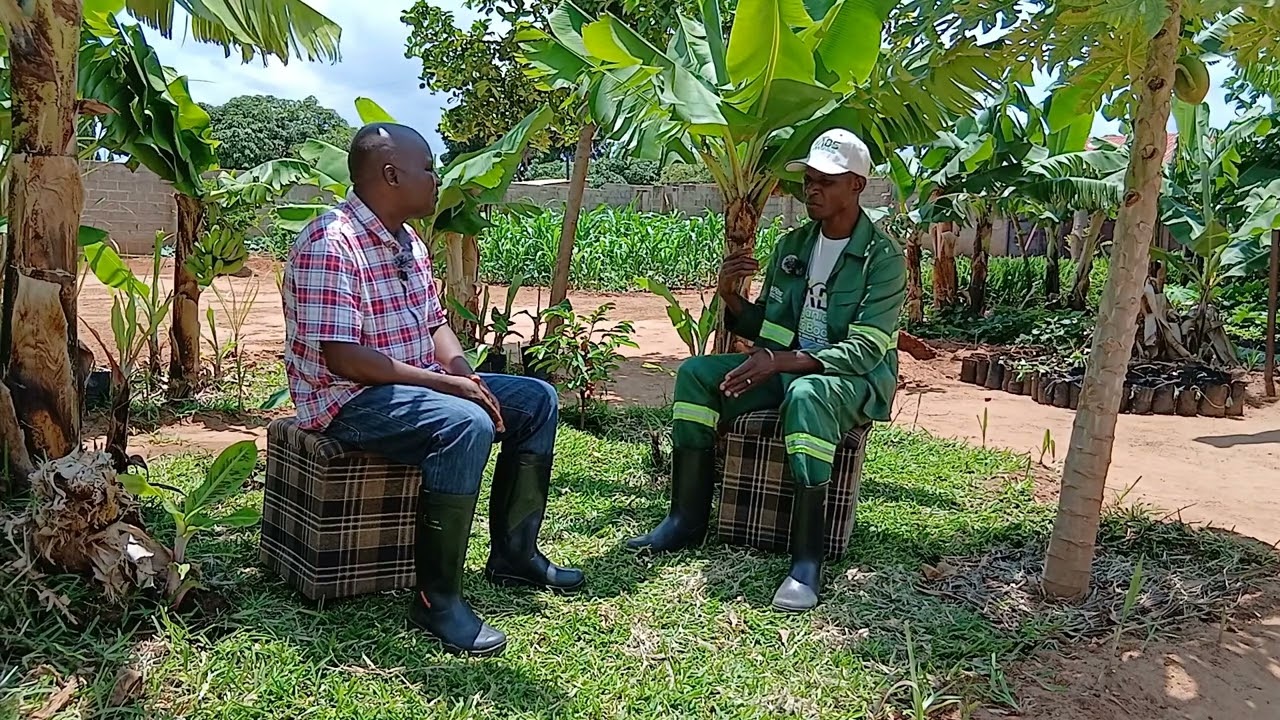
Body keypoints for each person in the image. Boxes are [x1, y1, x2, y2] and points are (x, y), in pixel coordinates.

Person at [282, 123, 583, 658]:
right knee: (463, 422)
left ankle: (515, 554)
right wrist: (450, 389)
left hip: (414, 380)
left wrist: (463, 372)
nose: (436, 177)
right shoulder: (331, 241)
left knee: (536, 399)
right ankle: (436, 599)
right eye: (428, 167)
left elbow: (434, 324)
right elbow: (344, 358)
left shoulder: (406, 241)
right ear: (391, 174)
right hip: (344, 399)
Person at [627, 128, 906, 612]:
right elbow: (774, 333)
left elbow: (865, 350)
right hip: (789, 367)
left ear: (857, 186)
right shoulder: (794, 245)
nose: (812, 190)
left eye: (826, 181)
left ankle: (806, 562)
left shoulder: (883, 259)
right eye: (809, 181)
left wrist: (782, 363)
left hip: (851, 382)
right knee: (696, 374)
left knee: (807, 396)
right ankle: (686, 519)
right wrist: (733, 298)